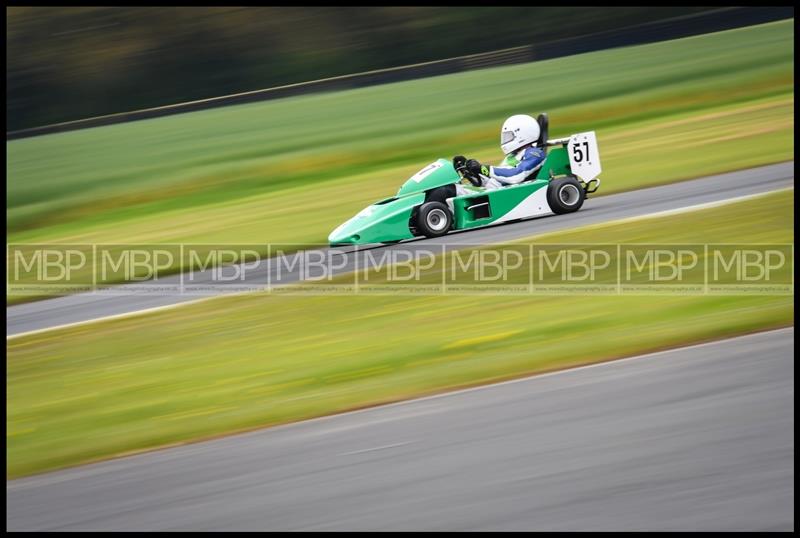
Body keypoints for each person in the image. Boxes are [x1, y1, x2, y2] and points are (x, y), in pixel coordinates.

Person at [453, 114, 546, 193]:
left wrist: (484, 168)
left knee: (447, 191)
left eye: (509, 136)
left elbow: (515, 176)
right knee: (447, 188)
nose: (506, 140)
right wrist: (471, 171)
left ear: (523, 134)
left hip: (504, 193)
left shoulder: (535, 154)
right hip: (491, 191)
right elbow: (495, 179)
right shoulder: (512, 156)